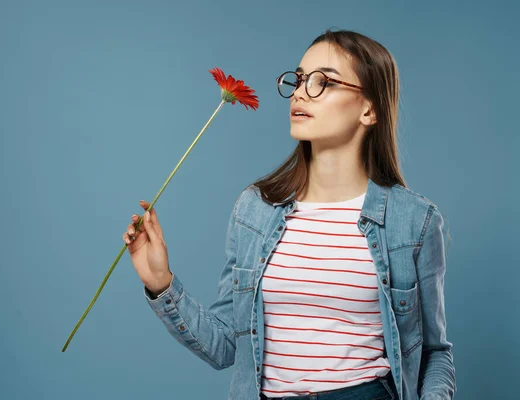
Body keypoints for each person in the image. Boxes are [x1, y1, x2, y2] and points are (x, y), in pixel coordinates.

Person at [123, 29, 456, 400]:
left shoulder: (414, 221)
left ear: (369, 109)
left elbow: (433, 354)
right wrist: (161, 283)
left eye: (323, 82)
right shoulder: (255, 209)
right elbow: (226, 347)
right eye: (298, 79)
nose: (299, 92)